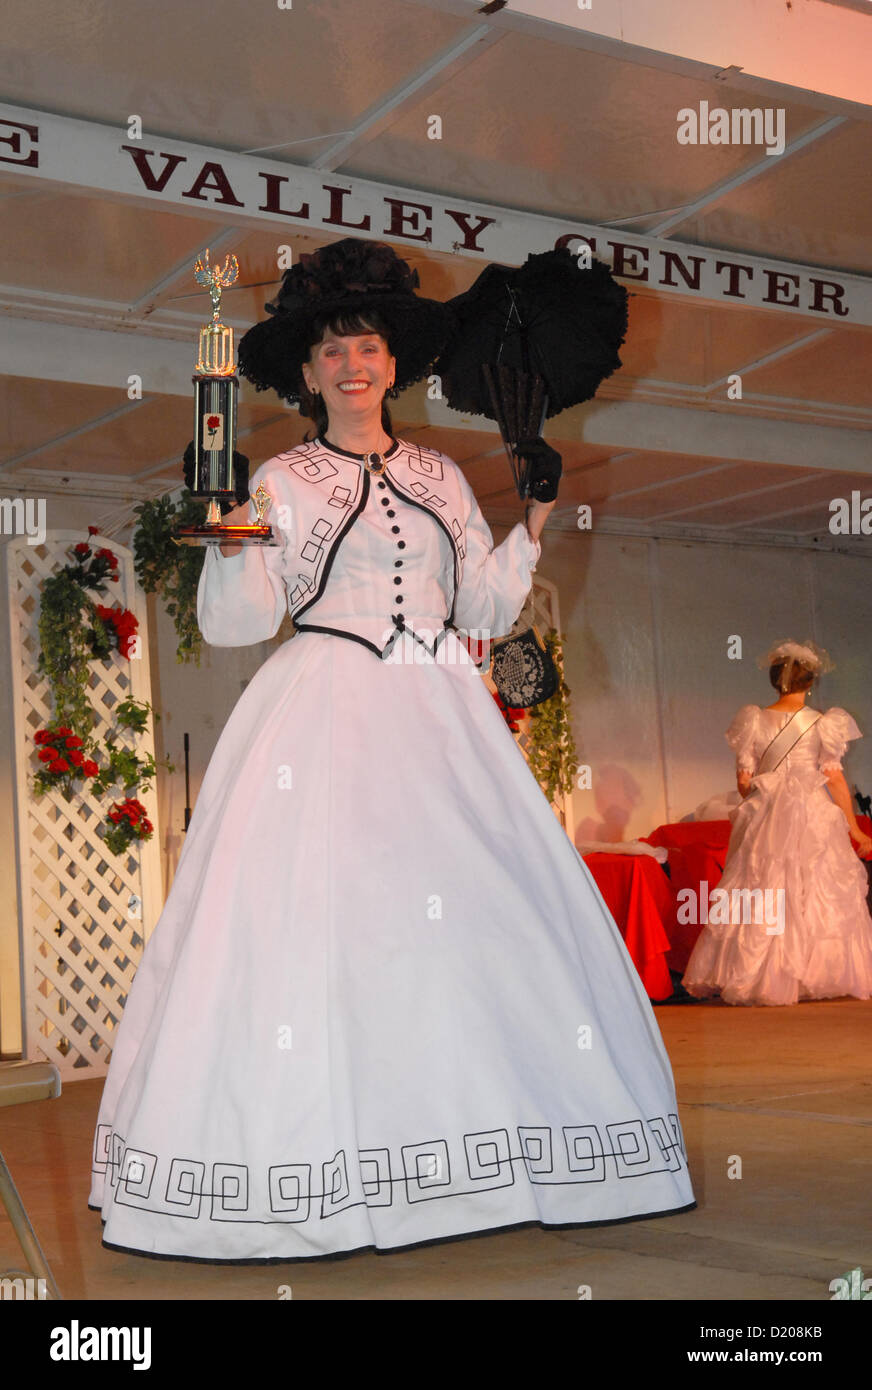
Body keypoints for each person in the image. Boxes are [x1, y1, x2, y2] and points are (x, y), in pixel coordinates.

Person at [88, 239, 694, 1262]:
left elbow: (483, 606)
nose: (353, 365)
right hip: (322, 700)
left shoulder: (437, 471)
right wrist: (232, 527)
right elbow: (239, 625)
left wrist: (533, 510)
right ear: (307, 370)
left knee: (484, 919)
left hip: (438, 702)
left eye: (367, 346)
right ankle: (319, 1165)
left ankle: (482, 1153)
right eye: (332, 351)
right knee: (320, 930)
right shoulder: (281, 477)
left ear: (392, 360)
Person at [683, 640, 872, 1007]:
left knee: (759, 888)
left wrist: (762, 803)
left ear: (776, 682)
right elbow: (833, 780)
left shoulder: (752, 719)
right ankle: (815, 971)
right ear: (810, 683)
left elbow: (743, 782)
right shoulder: (825, 724)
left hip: (765, 812)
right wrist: (854, 828)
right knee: (816, 888)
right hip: (812, 812)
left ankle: (759, 974)